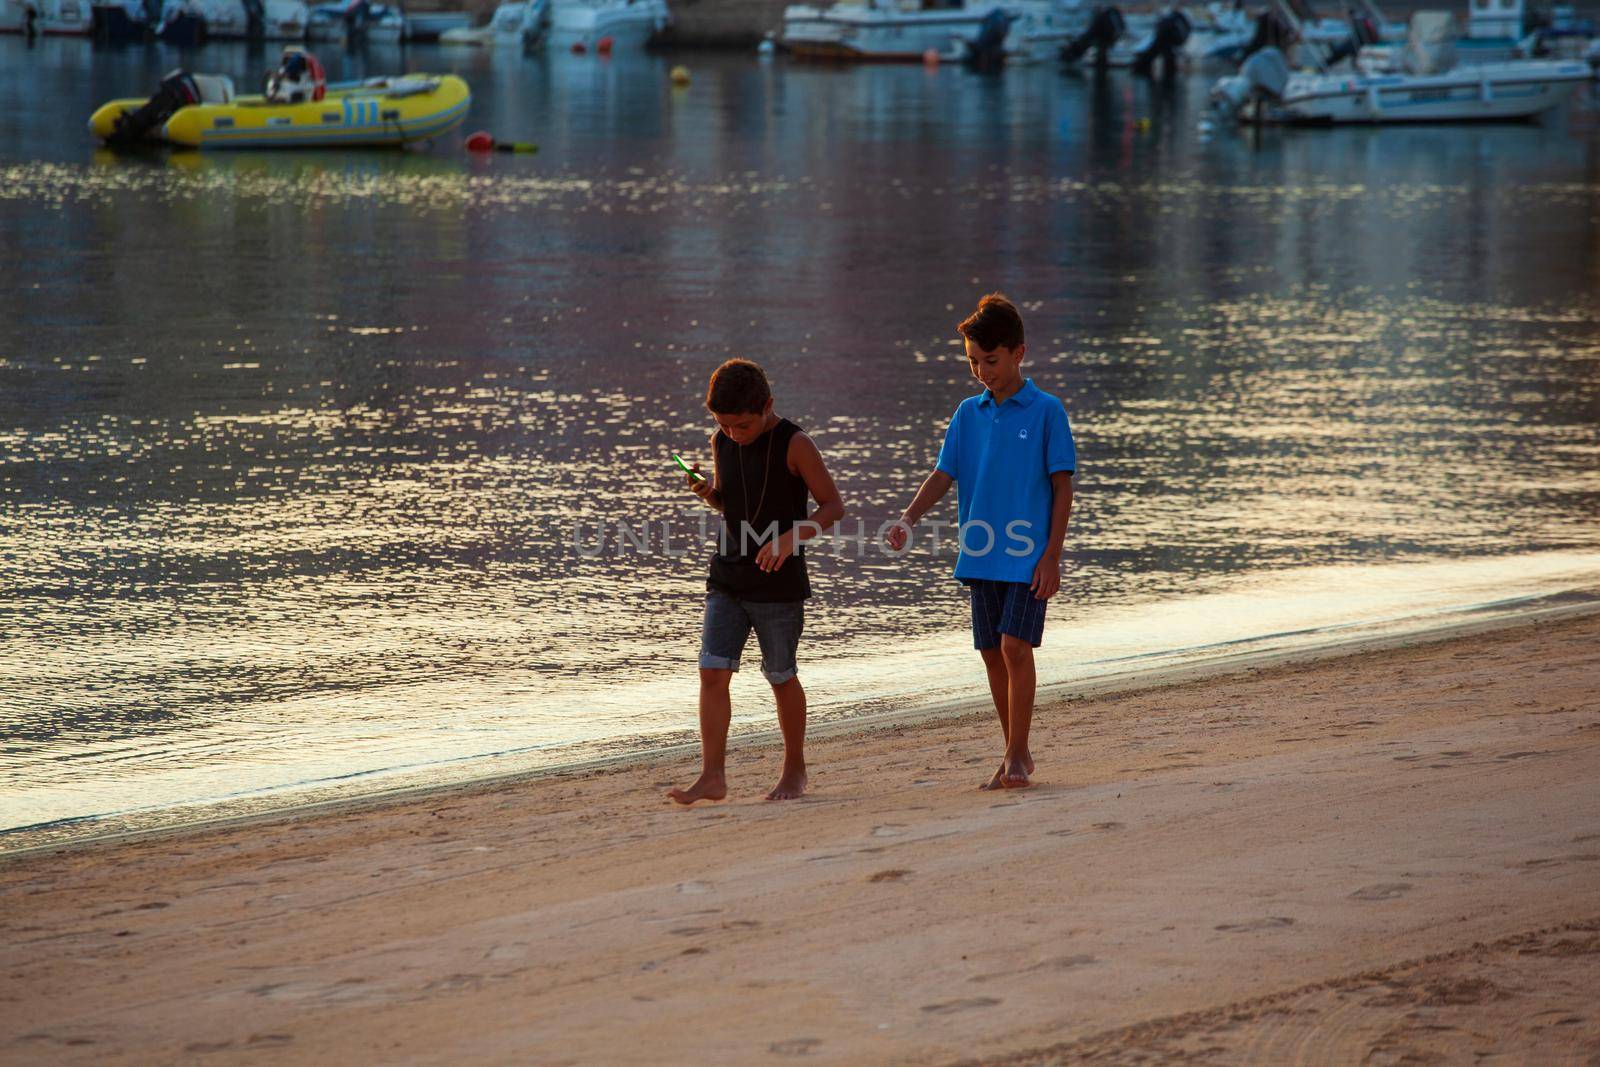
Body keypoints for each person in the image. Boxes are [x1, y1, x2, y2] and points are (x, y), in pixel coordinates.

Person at [886, 294, 1075, 790]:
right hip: (980, 552)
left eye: (990, 361)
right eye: (973, 362)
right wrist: (909, 517)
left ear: (1019, 353)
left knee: (1016, 646)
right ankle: (1016, 749)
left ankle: (1015, 754)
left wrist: (1052, 555)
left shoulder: (1047, 411)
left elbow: (1062, 488)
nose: (982, 371)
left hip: (1028, 555)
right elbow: (942, 474)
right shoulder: (967, 414)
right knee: (993, 652)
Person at [670, 360, 845, 804]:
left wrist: (791, 537)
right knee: (712, 670)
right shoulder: (721, 440)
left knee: (780, 675)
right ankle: (712, 776)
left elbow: (831, 508)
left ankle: (794, 770)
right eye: (723, 425)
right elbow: (734, 505)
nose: (733, 434)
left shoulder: (796, 443)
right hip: (727, 575)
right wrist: (709, 493)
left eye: (742, 425)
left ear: (767, 405)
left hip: (778, 583)